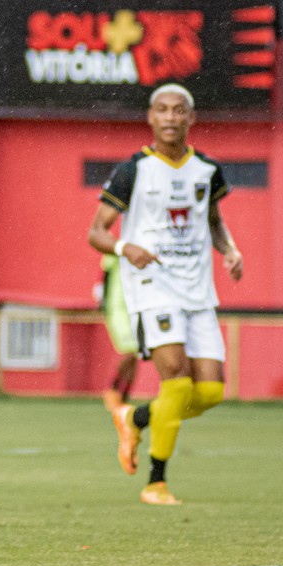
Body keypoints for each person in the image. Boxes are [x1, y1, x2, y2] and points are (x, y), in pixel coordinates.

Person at [88, 83, 243, 505]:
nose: (171, 117)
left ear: (191, 118)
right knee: (176, 379)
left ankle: (134, 416)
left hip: (198, 293)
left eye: (180, 110)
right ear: (150, 117)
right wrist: (125, 247)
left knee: (209, 393)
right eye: (163, 110)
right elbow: (96, 231)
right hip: (153, 289)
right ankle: (156, 482)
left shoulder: (207, 170)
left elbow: (212, 220)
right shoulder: (133, 170)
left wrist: (229, 250)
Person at [98, 253, 138, 412]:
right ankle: (111, 390)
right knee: (129, 352)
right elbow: (105, 277)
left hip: (135, 309)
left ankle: (124, 397)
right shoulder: (116, 250)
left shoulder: (143, 248)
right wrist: (103, 303)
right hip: (118, 309)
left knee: (136, 355)